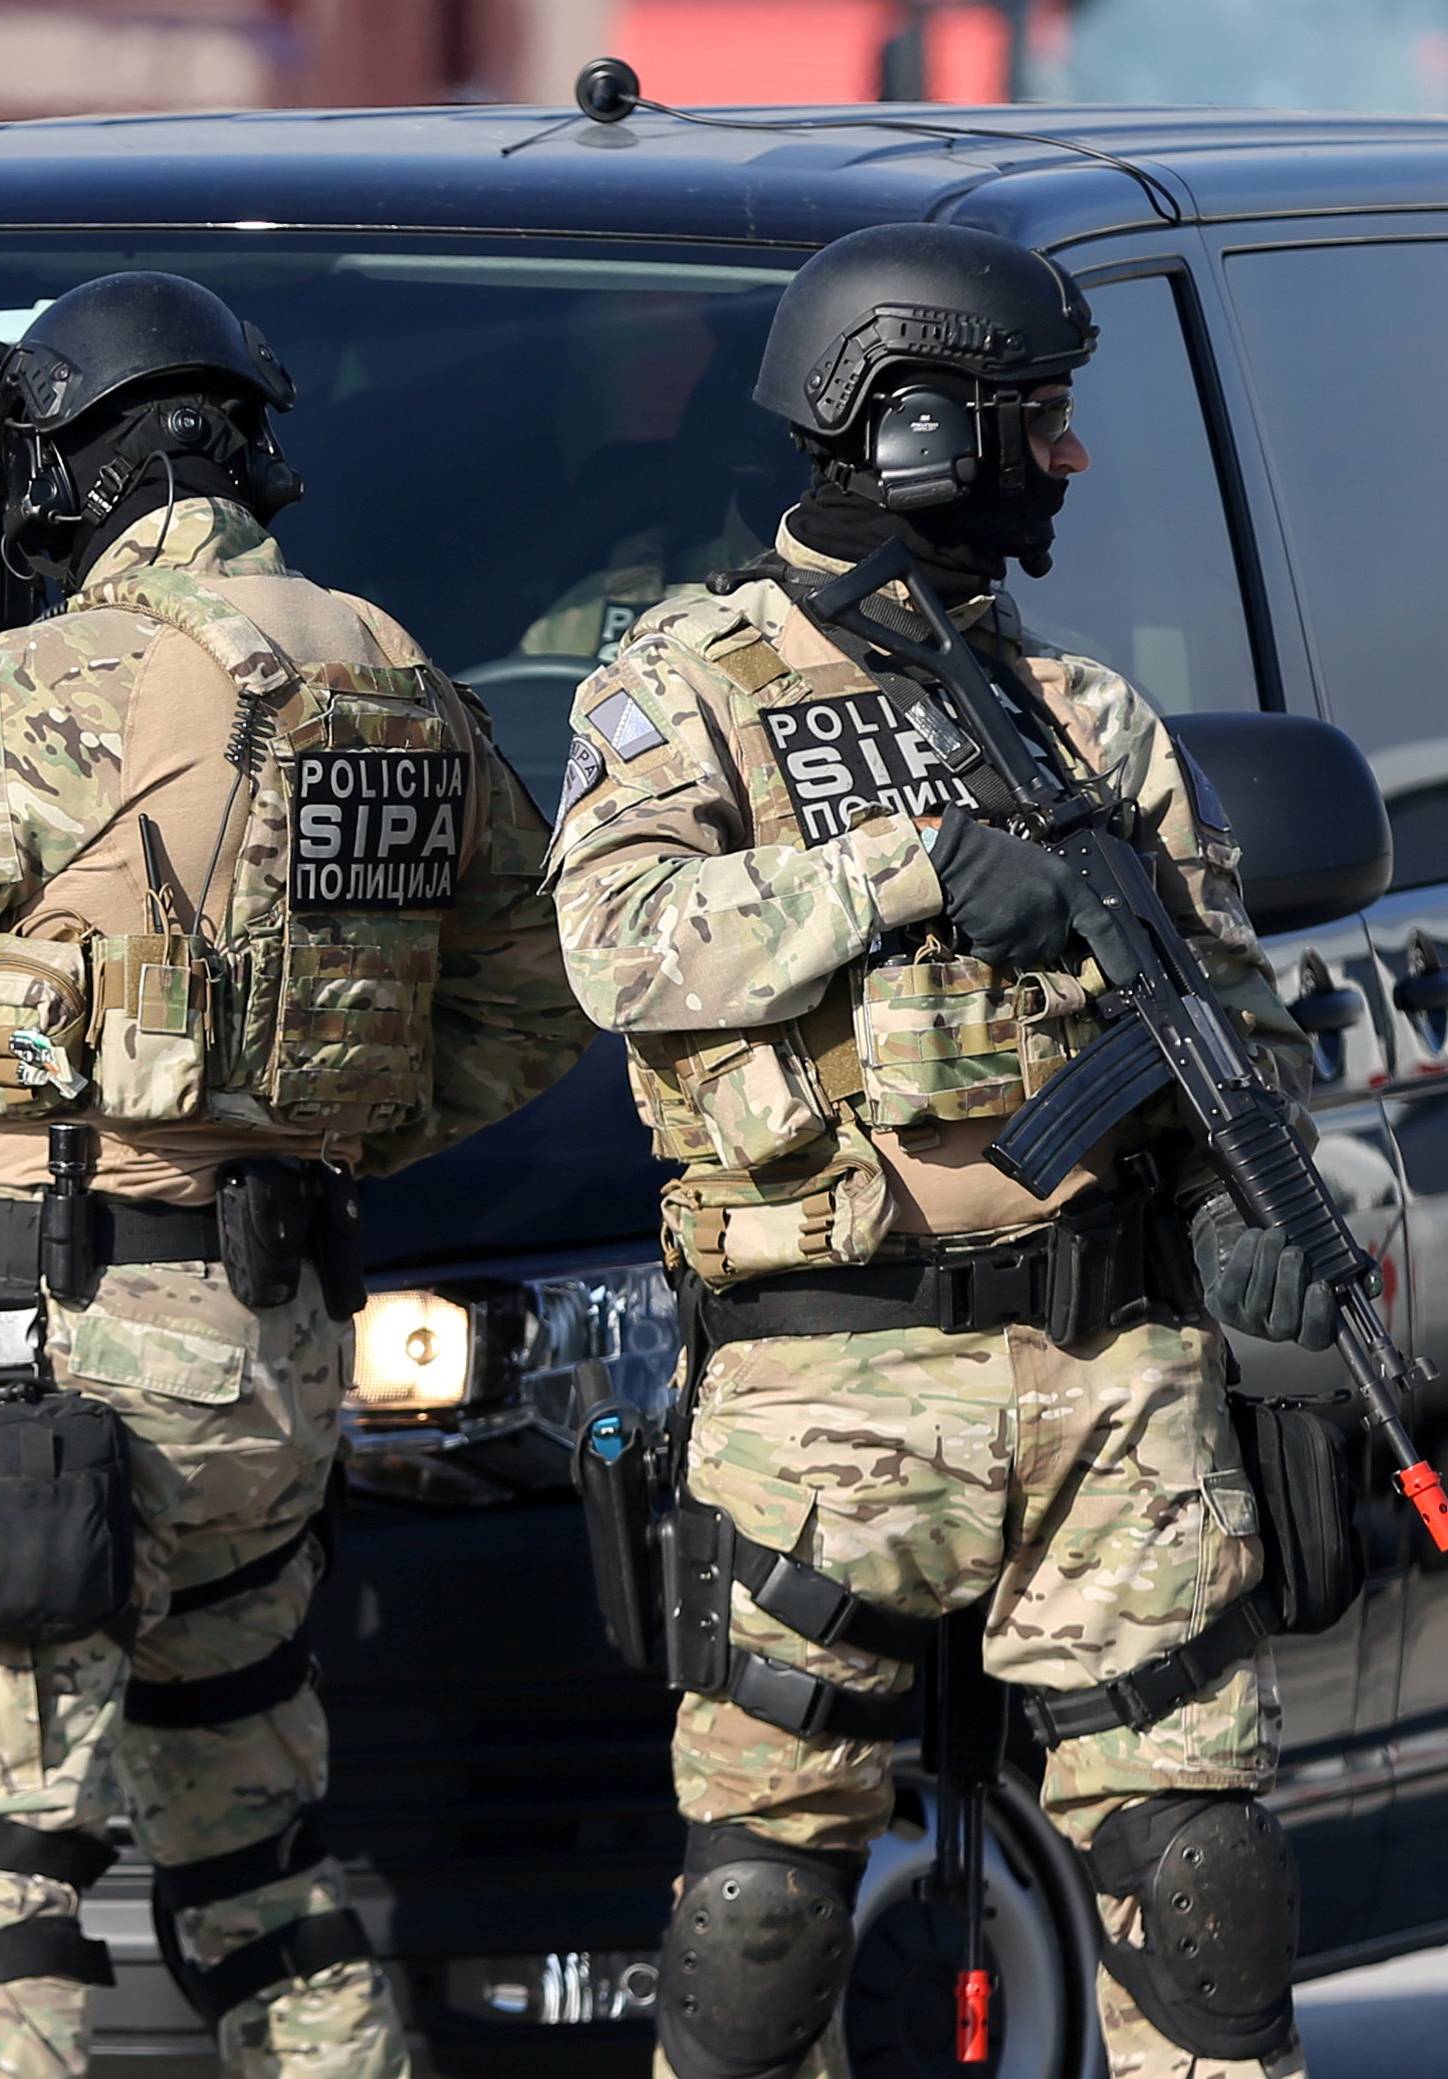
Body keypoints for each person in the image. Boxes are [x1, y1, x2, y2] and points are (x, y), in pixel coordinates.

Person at [0, 270, 588, 2079]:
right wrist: (320, 1128)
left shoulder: (60, 680)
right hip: (269, 1349)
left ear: (74, 472)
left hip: (40, 1346)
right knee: (257, 1857)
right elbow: (539, 1006)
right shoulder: (394, 669)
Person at [546, 222, 1330, 2079]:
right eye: (1032, 419)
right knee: (760, 1919)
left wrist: (1257, 1202)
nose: (1066, 459)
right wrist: (897, 871)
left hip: (1109, 1378)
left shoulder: (1085, 720)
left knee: (1202, 1894)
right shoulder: (693, 686)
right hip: (826, 1380)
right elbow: (617, 938)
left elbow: (1243, 1016)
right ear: (906, 431)